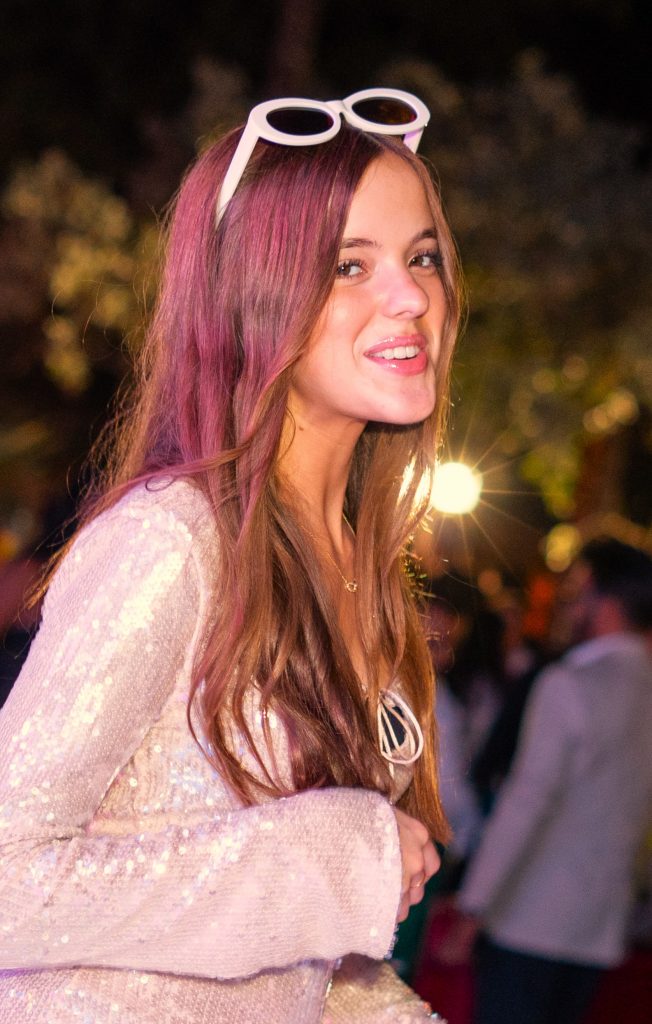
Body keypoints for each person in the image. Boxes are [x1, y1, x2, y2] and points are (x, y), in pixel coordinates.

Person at [0, 90, 462, 1023]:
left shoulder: (363, 572)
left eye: (422, 257)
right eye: (349, 265)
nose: (412, 297)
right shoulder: (170, 543)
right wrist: (328, 859)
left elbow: (293, 971)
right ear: (250, 300)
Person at [454, 538, 652, 1024]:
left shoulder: (569, 684)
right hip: (600, 929)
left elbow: (527, 801)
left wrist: (473, 905)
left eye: (577, 591)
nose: (567, 604)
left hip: (530, 919)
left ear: (604, 601)